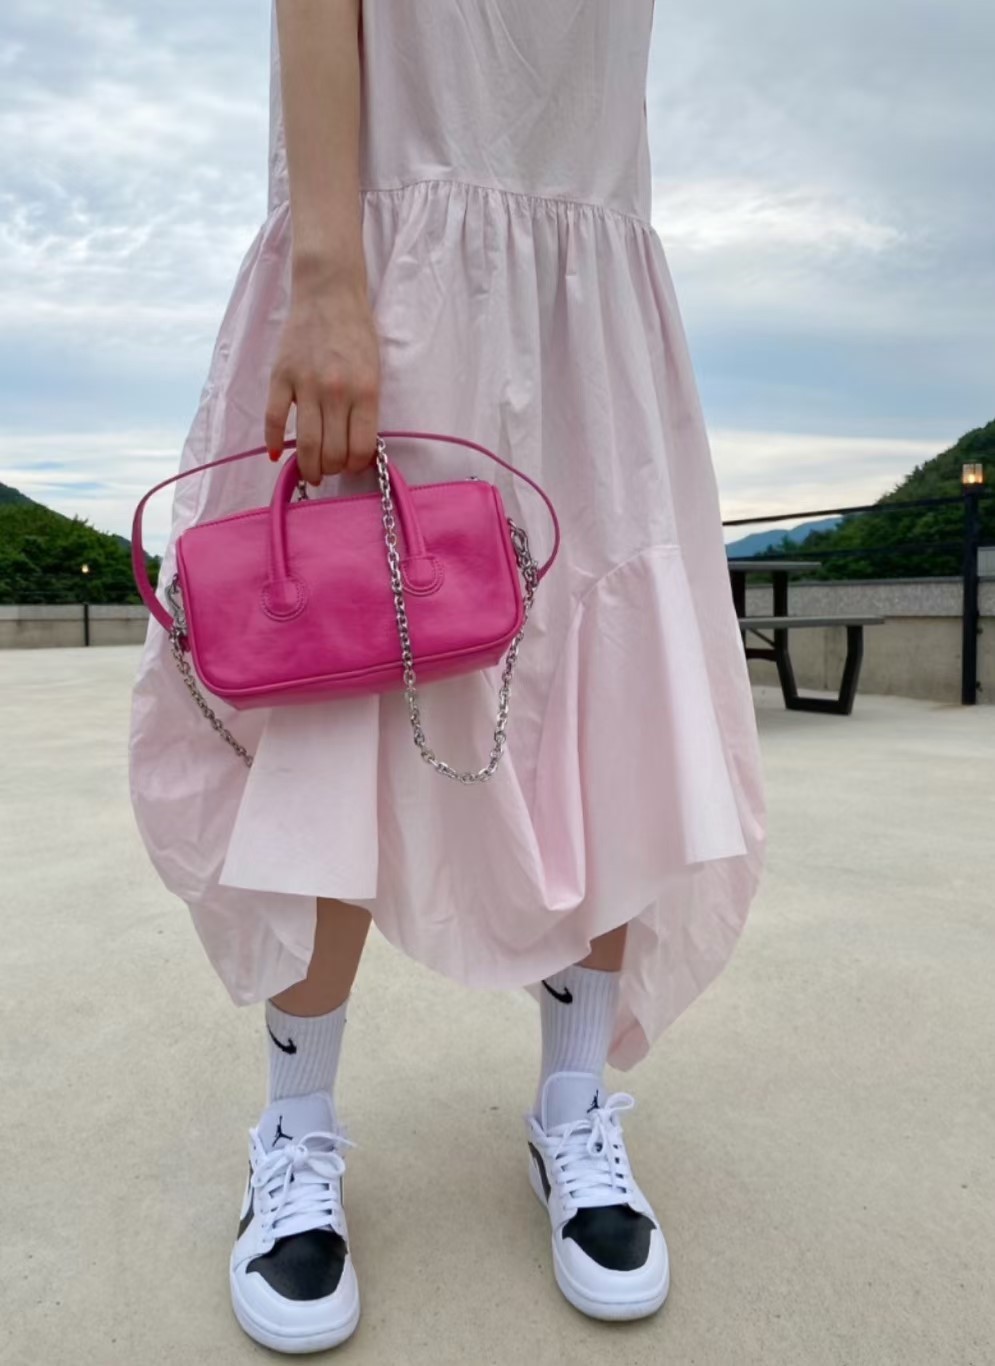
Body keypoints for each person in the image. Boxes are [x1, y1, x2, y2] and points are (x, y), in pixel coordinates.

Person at [129, 0, 766, 1353]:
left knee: (607, 687)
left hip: (588, 265)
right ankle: (296, 1129)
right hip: (388, 245)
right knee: (336, 677)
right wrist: (325, 272)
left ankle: (572, 1111)